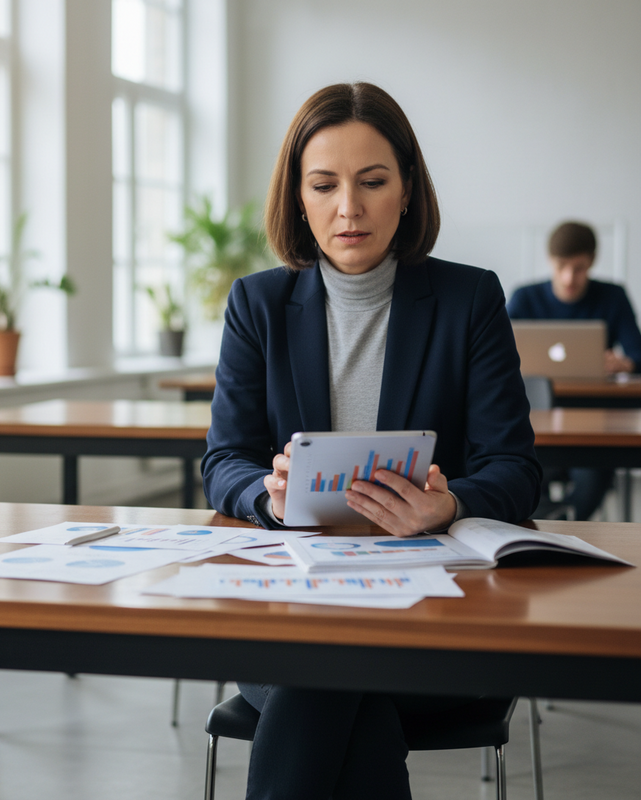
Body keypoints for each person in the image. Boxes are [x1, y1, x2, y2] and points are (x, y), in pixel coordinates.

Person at [201, 81, 541, 800]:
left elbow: (515, 467)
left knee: (322, 680)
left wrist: (450, 506)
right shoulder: (257, 304)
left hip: (432, 614)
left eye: (373, 182)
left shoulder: (469, 300)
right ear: (298, 197)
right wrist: (267, 496)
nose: (348, 208)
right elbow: (223, 460)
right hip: (291, 602)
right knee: (338, 682)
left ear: (408, 190)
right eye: (324, 185)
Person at [507, 221, 641, 519]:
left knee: (594, 474)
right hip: (534, 419)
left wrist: (626, 363)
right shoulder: (524, 297)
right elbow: (495, 353)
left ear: (591, 262)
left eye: (578, 268)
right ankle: (547, 521)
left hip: (596, 420)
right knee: (525, 470)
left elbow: (637, 353)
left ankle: (565, 522)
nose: (569, 277)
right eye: (562, 266)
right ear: (550, 261)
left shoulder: (613, 296)